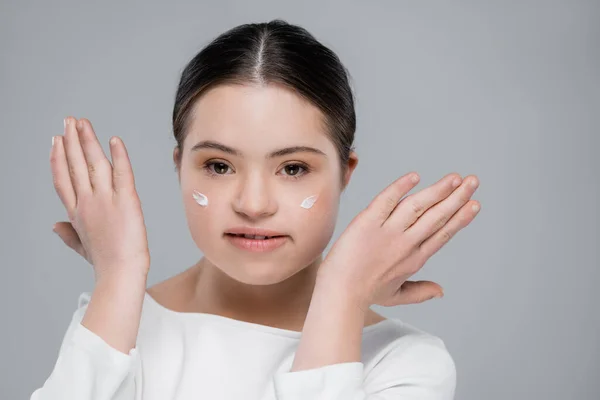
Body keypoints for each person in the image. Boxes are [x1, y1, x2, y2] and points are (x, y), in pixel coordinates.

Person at [32, 19, 480, 400]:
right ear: (180, 166)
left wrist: (340, 297)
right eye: (219, 165)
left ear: (345, 173)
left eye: (292, 168)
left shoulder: (405, 362)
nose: (253, 204)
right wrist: (119, 276)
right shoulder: (115, 322)